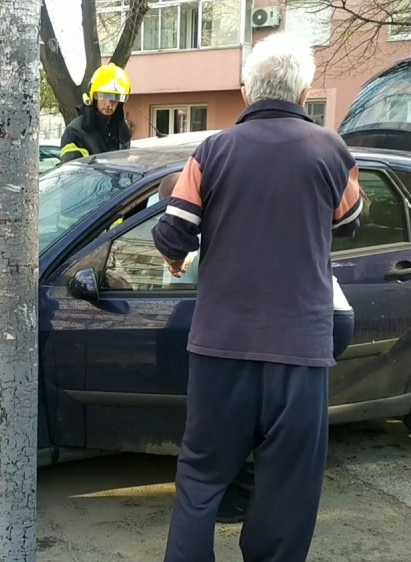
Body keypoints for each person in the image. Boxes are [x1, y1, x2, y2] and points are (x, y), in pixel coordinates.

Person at [153, 32, 363, 562]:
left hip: (221, 346)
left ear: (248, 90)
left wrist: (177, 256)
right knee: (287, 490)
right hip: (300, 350)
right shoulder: (332, 151)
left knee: (201, 478)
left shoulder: (213, 151)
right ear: (303, 91)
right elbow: (352, 220)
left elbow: (174, 233)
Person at [59, 62, 132, 163]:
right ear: (93, 97)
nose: (108, 104)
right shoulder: (75, 132)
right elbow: (72, 174)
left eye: (115, 98)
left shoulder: (122, 130)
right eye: (103, 96)